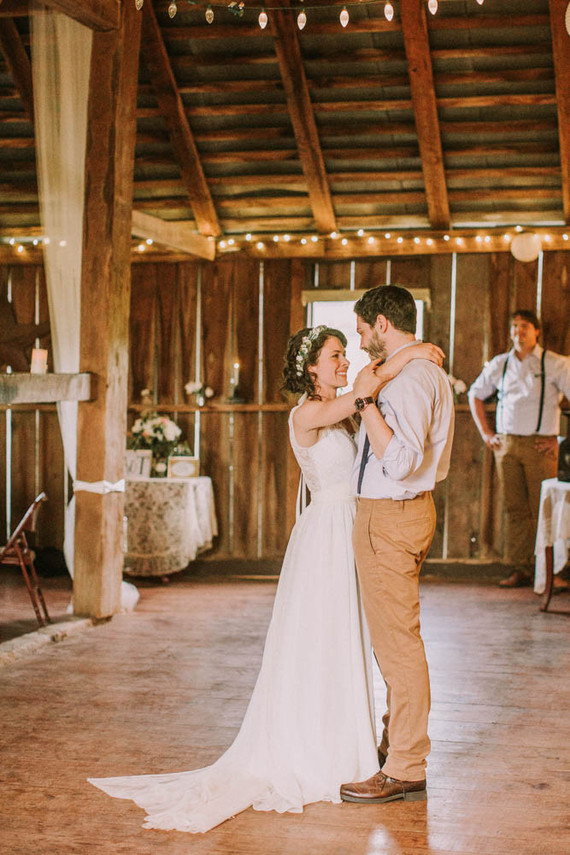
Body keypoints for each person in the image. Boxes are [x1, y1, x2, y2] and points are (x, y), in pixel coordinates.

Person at [88, 325, 443, 833]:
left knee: (349, 641)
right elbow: (369, 385)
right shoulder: (308, 413)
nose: (344, 363)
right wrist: (412, 354)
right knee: (320, 641)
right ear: (311, 368)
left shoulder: (341, 406)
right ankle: (315, 749)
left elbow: (367, 391)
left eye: (345, 355)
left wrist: (401, 361)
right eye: (336, 356)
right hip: (326, 538)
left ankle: (350, 741)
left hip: (352, 530)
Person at [340, 285, 455, 806]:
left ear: (382, 324)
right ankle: (397, 742)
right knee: (395, 638)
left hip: (389, 516)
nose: (362, 344)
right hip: (409, 514)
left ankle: (405, 764)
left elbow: (401, 461)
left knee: (398, 646)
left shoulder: (409, 381)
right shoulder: (421, 370)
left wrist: (365, 404)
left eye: (363, 331)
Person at [468, 309, 570, 588]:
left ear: (537, 331)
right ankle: (521, 567)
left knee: (545, 509)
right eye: (514, 326)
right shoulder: (501, 364)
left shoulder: (555, 364)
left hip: (541, 446)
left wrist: (557, 440)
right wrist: (488, 434)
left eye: (524, 326)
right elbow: (474, 394)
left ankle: (552, 573)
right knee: (514, 510)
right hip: (507, 445)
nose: (518, 331)